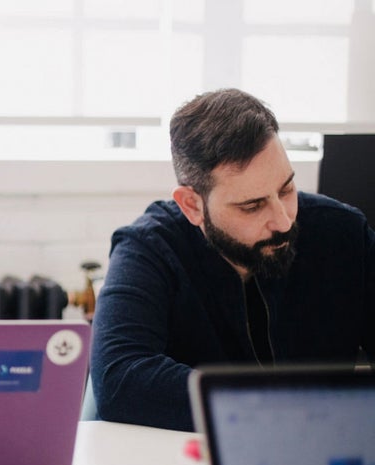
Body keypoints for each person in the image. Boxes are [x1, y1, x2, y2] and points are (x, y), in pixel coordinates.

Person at [90, 88, 375, 432]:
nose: (284, 221)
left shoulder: (343, 232)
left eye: (286, 189)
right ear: (192, 205)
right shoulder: (149, 248)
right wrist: (282, 406)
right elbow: (119, 378)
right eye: (252, 206)